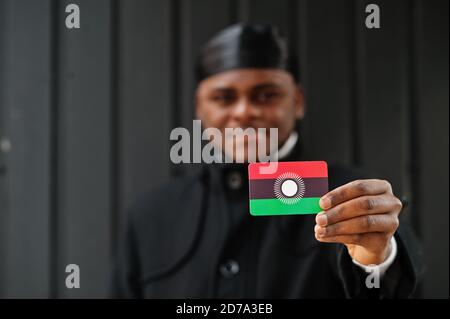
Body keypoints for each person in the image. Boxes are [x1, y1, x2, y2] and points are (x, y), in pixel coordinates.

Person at [111, 24, 421, 298]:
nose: (245, 111)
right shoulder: (151, 216)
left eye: (266, 95)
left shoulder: (354, 195)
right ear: (199, 107)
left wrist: (377, 258)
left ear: (297, 101)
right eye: (224, 97)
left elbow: (398, 285)